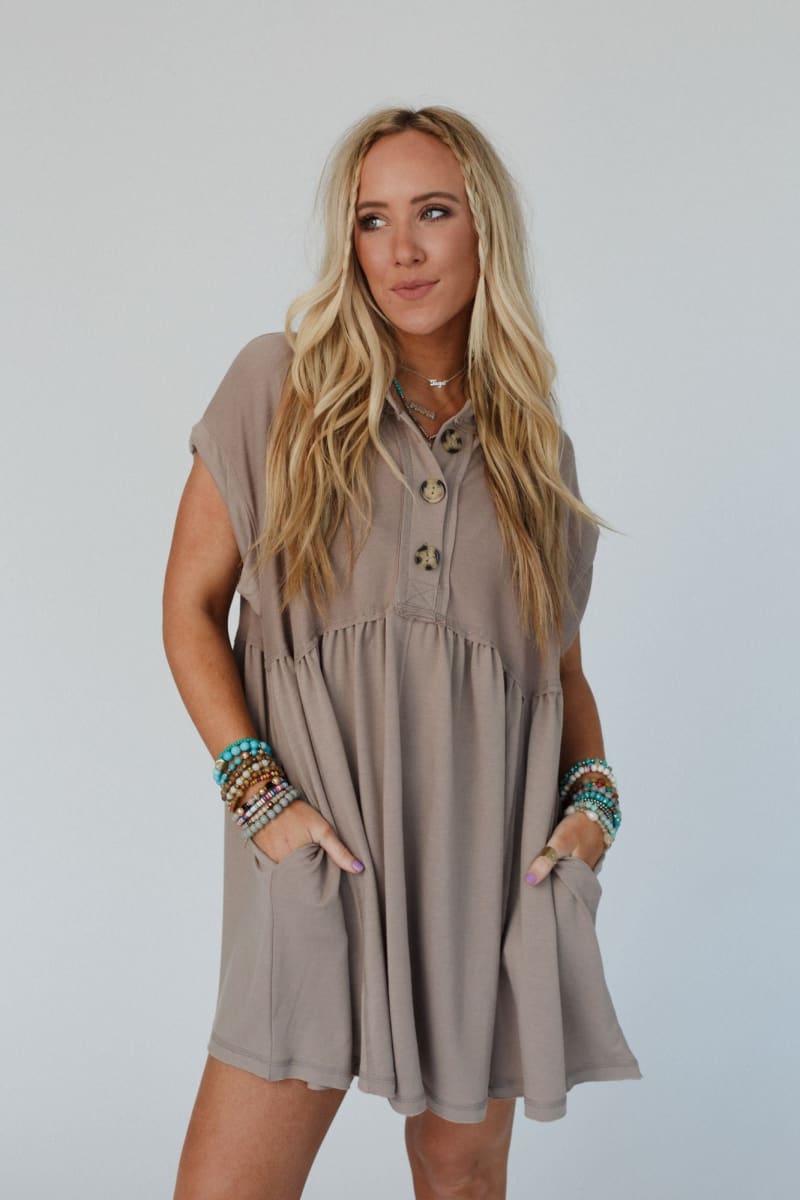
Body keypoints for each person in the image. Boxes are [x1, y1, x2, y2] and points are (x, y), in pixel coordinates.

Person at [163, 104, 642, 1200]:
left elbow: (561, 674)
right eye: (372, 221)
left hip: (485, 871)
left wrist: (595, 807)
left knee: (459, 1175)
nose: (403, 250)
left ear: (485, 230)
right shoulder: (280, 385)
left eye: (433, 212)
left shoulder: (535, 450)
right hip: (318, 857)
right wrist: (260, 798)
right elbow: (189, 608)